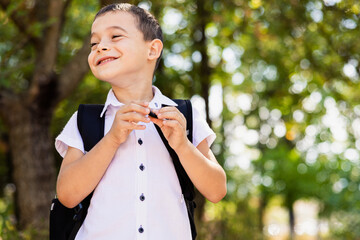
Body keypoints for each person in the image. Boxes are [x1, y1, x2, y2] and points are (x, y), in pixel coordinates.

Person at [55, 3, 226, 240]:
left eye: (115, 36)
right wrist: (111, 139)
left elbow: (217, 190)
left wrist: (183, 147)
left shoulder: (184, 115)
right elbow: (67, 195)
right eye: (94, 43)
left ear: (152, 50)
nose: (101, 47)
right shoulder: (86, 120)